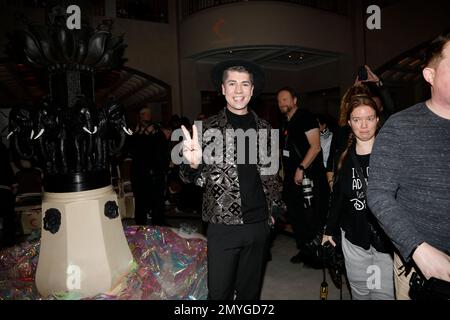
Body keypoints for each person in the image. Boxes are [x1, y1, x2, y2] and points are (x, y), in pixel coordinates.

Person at [179, 60, 281, 300]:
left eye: (245, 84)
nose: (238, 90)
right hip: (222, 225)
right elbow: (187, 177)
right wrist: (192, 164)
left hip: (259, 225)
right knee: (219, 294)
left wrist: (274, 210)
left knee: (249, 294)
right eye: (232, 83)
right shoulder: (205, 128)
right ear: (222, 89)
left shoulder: (266, 129)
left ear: (252, 90)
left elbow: (273, 177)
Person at [367, 31, 450, 299]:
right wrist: (418, 249)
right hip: (422, 267)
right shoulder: (401, 126)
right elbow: (378, 193)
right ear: (430, 76)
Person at [322, 94, 394, 300]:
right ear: (349, 122)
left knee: (382, 294)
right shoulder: (342, 157)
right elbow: (337, 198)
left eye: (369, 118)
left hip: (385, 239)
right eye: (356, 119)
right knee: (361, 293)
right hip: (353, 238)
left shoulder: (390, 154)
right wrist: (329, 230)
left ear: (378, 120)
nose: (363, 125)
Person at [277, 87, 329, 266]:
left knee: (312, 216)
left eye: (285, 99)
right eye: (279, 101)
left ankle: (317, 254)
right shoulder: (285, 122)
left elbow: (315, 147)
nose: (282, 103)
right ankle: (305, 249)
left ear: (295, 100)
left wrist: (301, 167)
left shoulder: (305, 116)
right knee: (296, 216)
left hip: (309, 175)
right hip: (292, 178)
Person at [127, 106, 169, 226]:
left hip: (154, 170)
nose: (148, 116)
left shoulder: (156, 129)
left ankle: (158, 221)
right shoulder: (135, 131)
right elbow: (132, 148)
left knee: (157, 197)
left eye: (149, 113)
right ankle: (141, 223)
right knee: (141, 198)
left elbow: (161, 148)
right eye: (146, 114)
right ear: (141, 116)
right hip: (140, 170)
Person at [0, 141, 18, 248]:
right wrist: (14, 183)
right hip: (4, 189)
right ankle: (9, 246)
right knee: (8, 219)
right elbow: (6, 166)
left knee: (8, 219)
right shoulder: (1, 148)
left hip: (4, 188)